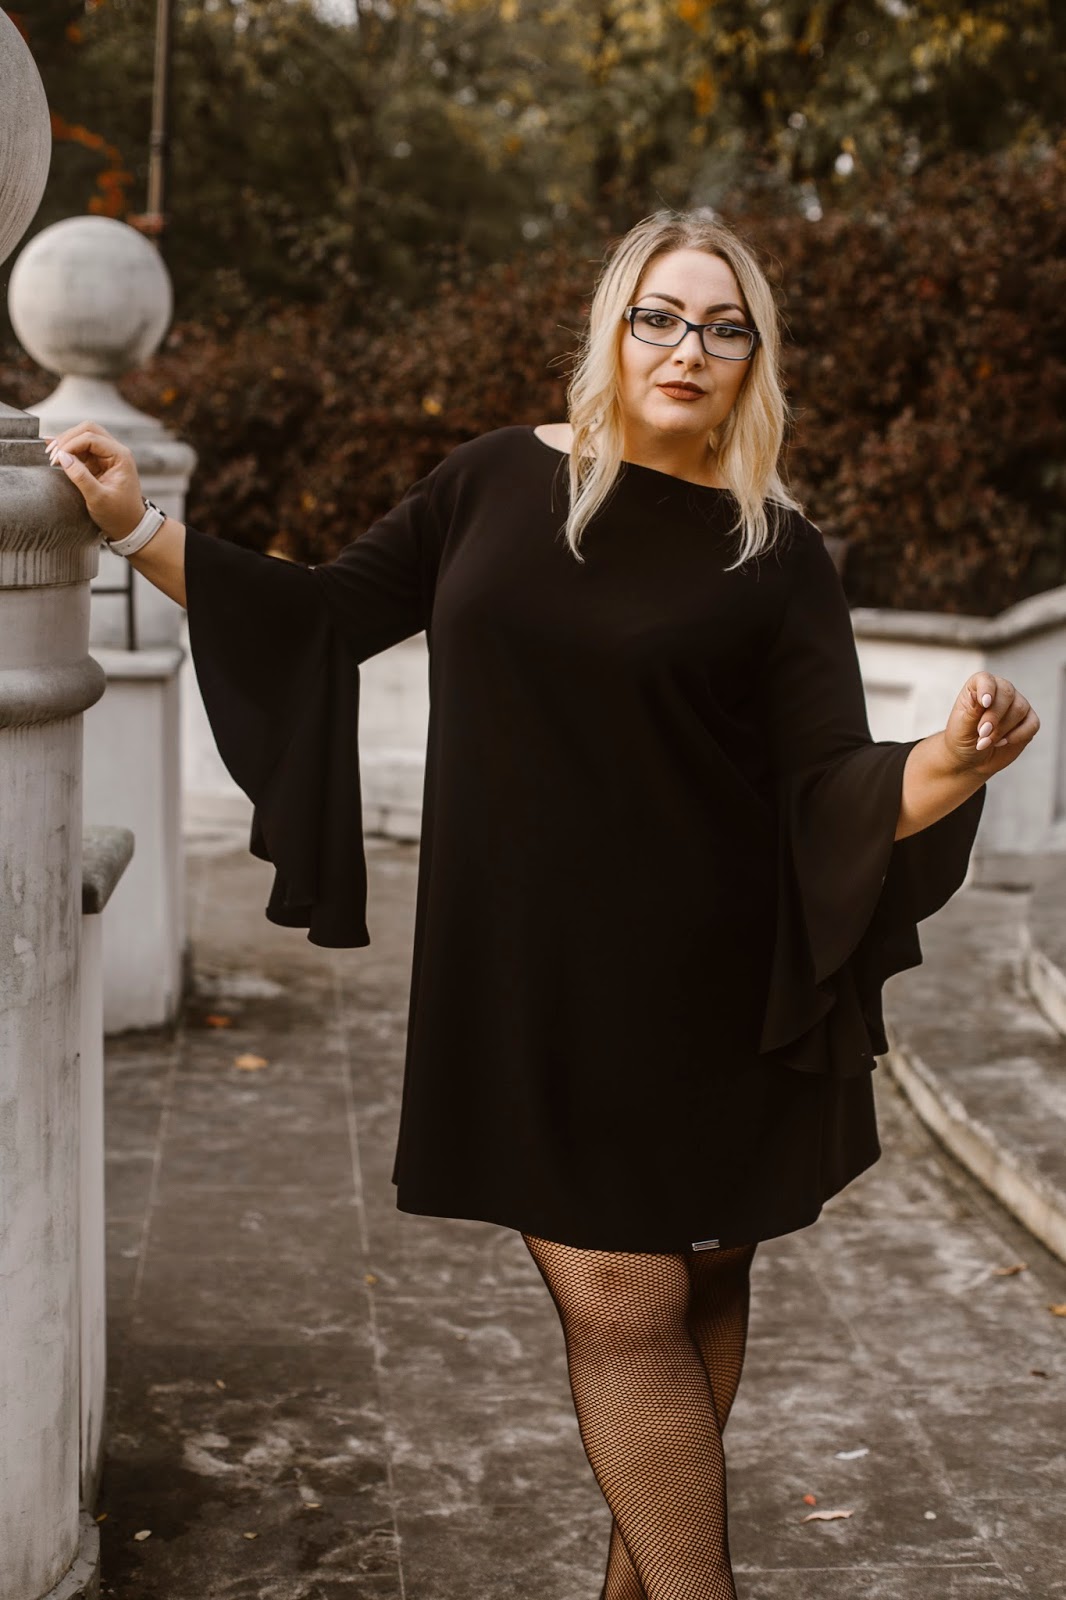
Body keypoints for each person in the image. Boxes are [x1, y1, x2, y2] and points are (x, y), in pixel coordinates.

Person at [47, 209, 1039, 1600]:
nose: (687, 348)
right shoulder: (494, 481)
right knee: (624, 1306)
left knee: (694, 1292)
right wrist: (138, 527)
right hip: (531, 977)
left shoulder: (777, 553)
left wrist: (952, 759)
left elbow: (831, 784)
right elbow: (323, 617)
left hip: (716, 988)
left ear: (754, 360)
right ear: (611, 328)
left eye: (723, 327)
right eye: (659, 316)